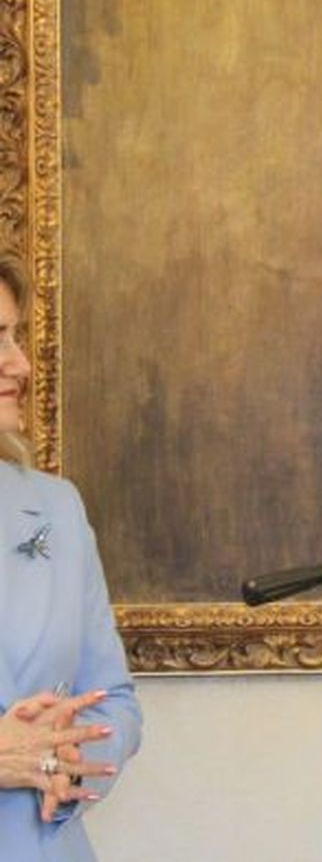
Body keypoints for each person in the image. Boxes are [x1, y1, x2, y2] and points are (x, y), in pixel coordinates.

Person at [0, 254, 142, 861]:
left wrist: (70, 764)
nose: (21, 364)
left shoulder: (56, 508)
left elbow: (114, 698)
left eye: (15, 336)